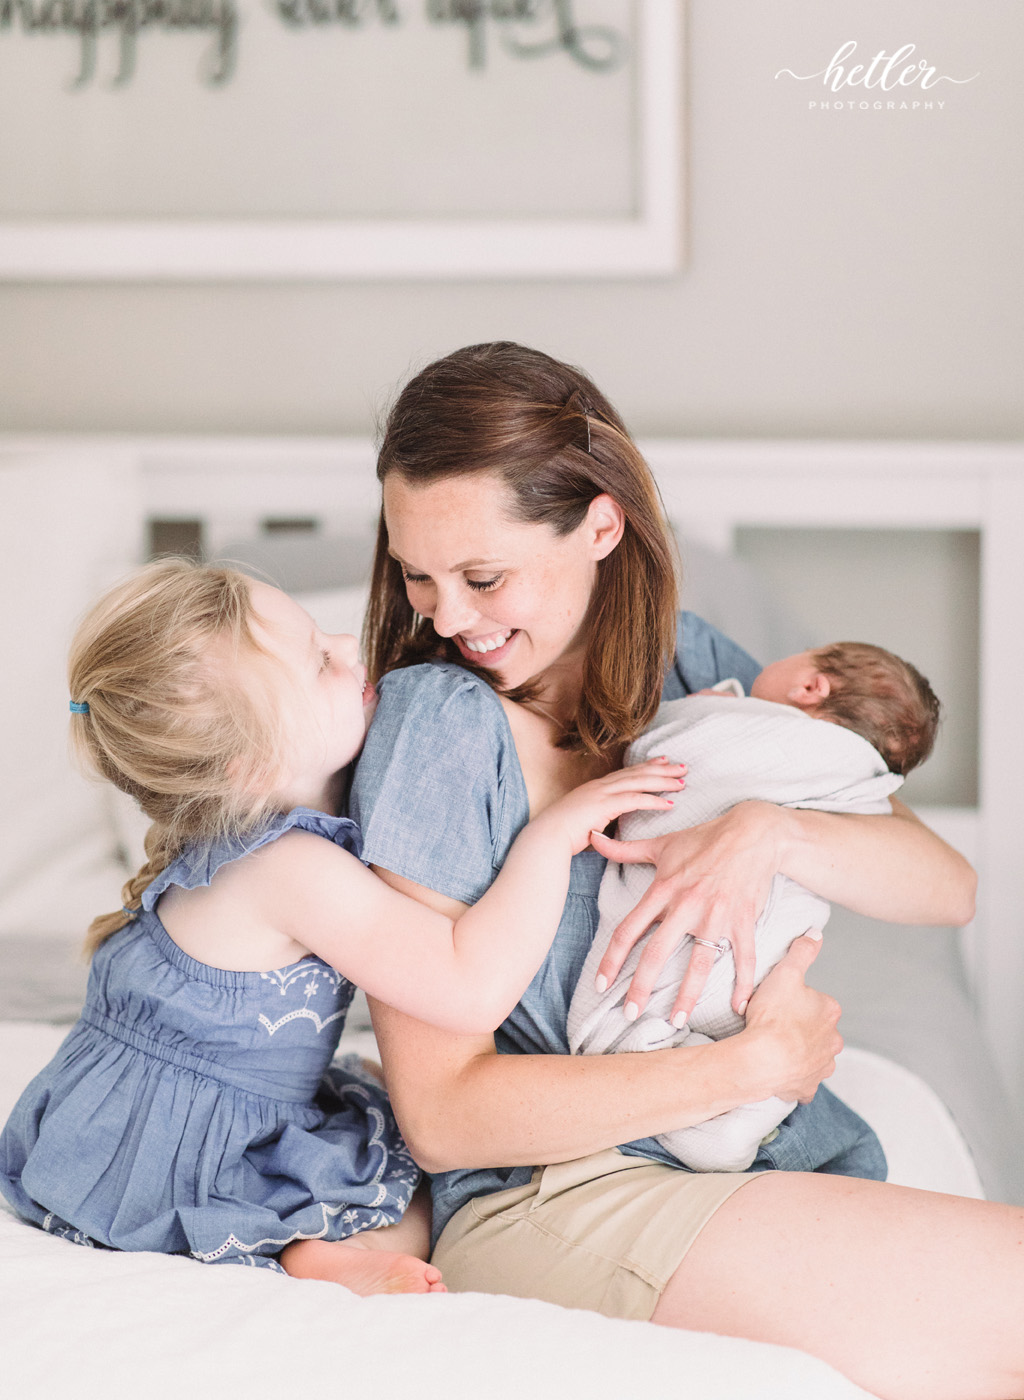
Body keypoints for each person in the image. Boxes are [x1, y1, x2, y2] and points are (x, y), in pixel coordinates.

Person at [351, 342, 1023, 1400]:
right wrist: (748, 1067)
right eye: (417, 575)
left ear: (602, 526)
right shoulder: (438, 728)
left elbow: (945, 886)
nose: (446, 618)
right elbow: (442, 1114)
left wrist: (769, 830)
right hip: (556, 1191)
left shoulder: (681, 667)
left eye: (483, 576)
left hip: (737, 1150)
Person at [0, 557, 682, 1296]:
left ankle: (306, 1239)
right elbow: (469, 987)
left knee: (381, 1124)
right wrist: (550, 839)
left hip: (109, 1123)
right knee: (421, 1182)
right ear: (251, 764)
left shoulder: (251, 841)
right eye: (320, 662)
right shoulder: (288, 868)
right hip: (182, 1153)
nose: (351, 650)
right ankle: (305, 1248)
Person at [568, 642, 939, 1172]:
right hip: (761, 977)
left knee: (648, 1010)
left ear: (812, 688)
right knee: (750, 1030)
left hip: (742, 950)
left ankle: (723, 1102)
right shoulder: (860, 778)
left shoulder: (758, 726)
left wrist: (698, 717)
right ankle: (742, 1111)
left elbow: (673, 749)